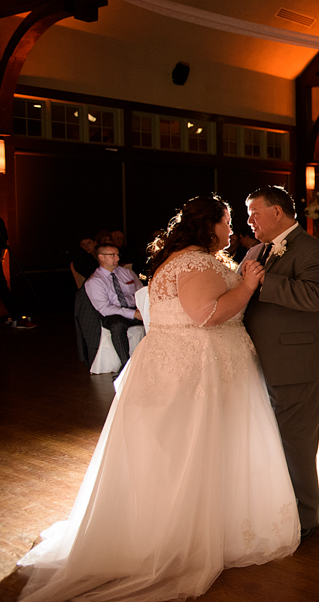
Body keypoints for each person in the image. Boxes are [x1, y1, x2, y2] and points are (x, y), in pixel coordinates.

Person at [17, 195, 298, 602]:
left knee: (173, 451)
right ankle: (181, 536)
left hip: (173, 364)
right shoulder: (197, 262)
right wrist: (250, 284)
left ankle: (164, 526)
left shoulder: (182, 259)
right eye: (227, 219)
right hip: (197, 367)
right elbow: (206, 314)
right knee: (196, 449)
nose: (231, 227)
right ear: (211, 225)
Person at [241, 185, 319, 540]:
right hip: (259, 360)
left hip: (297, 362)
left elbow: (314, 297)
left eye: (254, 213)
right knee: (271, 441)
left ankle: (307, 518)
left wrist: (262, 281)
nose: (249, 221)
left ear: (277, 212)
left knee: (296, 443)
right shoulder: (254, 250)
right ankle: (279, 509)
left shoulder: (313, 249)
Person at [84, 243, 144, 364]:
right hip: (113, 313)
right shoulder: (95, 281)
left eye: (117, 254)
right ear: (101, 257)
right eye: (113, 255)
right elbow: (105, 309)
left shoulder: (127, 273)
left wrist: (141, 309)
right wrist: (133, 314)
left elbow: (140, 291)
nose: (117, 258)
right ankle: (125, 364)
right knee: (117, 325)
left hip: (134, 309)